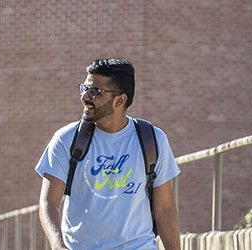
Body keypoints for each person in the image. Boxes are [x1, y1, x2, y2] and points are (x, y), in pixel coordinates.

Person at [35, 59, 181, 250]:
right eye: (84, 88)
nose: (85, 97)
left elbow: (164, 209)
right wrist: (58, 245)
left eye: (95, 91)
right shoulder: (66, 139)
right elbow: (48, 202)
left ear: (120, 100)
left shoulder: (153, 140)